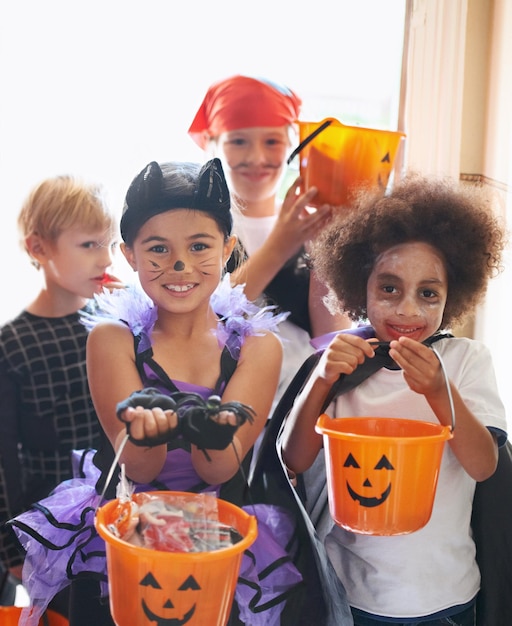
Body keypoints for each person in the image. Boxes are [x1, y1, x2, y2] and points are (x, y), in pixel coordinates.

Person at [11, 158, 323, 626]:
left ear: (228, 249)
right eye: (158, 248)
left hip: (212, 544)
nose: (180, 265)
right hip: (124, 538)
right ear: (130, 255)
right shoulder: (111, 339)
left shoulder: (258, 347)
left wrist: (215, 433)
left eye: (200, 246)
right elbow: (138, 466)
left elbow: (217, 466)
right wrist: (146, 433)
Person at [280, 173, 507, 626]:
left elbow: (484, 466)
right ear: (360, 287)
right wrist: (322, 378)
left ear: (452, 295)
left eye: (428, 293)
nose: (407, 310)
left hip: (444, 595)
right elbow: (294, 458)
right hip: (349, 595)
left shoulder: (465, 361)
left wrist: (440, 393)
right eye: (389, 288)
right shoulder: (343, 364)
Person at [188, 75, 353, 410]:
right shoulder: (194, 226)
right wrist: (281, 242)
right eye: (238, 141)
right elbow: (199, 318)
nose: (257, 157)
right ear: (211, 142)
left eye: (272, 142)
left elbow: (332, 339)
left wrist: (330, 250)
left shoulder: (312, 222)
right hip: (223, 411)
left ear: (293, 143)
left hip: (305, 408)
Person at [0, 174, 121, 609]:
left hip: (114, 516)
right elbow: (2, 460)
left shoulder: (114, 326)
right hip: (45, 529)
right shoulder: (10, 344)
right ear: (38, 248)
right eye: (89, 245)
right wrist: (11, 550)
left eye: (108, 244)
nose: (104, 259)